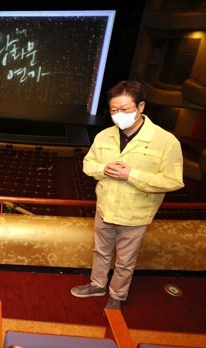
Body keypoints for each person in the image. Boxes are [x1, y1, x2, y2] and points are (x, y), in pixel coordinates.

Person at [71, 80, 184, 310]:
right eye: (114, 111)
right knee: (100, 251)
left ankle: (116, 296)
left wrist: (132, 175)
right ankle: (97, 285)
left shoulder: (166, 141)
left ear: (140, 107)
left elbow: (173, 180)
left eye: (125, 110)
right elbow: (87, 164)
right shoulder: (104, 136)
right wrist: (102, 169)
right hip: (104, 209)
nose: (118, 115)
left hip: (135, 216)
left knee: (125, 262)